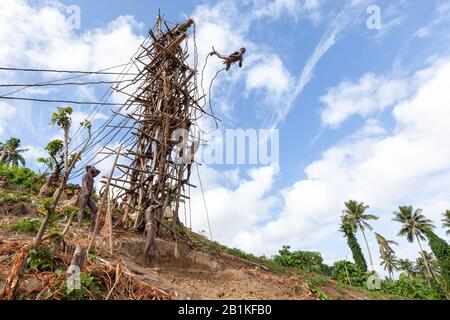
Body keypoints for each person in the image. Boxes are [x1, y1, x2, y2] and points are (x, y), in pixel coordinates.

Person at [78, 165, 100, 232]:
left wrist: (94, 168)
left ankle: (92, 228)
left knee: (94, 210)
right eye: (92, 167)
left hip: (89, 196)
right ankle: (79, 227)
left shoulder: (92, 176)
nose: (93, 168)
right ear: (88, 169)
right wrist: (86, 191)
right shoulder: (86, 175)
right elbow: (84, 184)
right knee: (82, 209)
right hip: (84, 194)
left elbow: (98, 172)